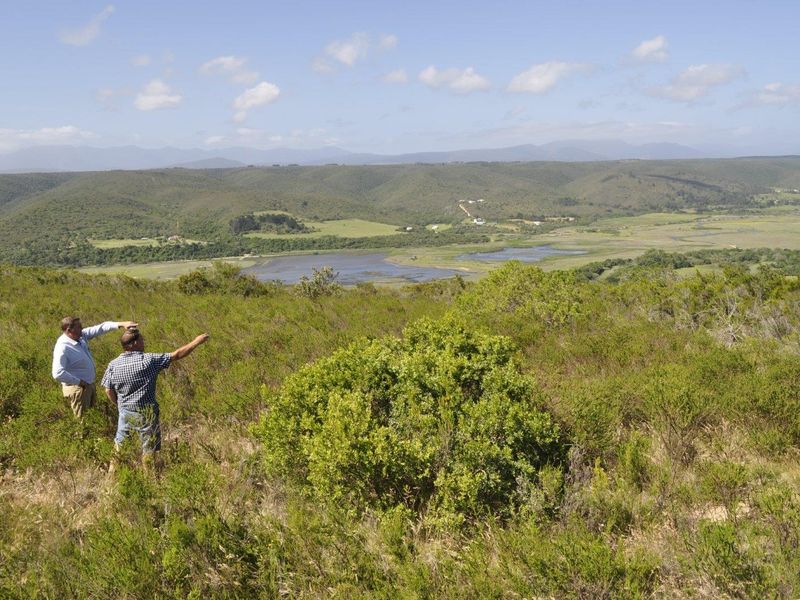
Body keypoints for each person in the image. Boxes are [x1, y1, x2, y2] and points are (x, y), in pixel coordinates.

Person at [102, 328, 209, 459]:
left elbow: (108, 389)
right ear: (134, 344)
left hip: (125, 412)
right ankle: (150, 477)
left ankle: (112, 476)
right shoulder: (149, 360)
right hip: (146, 412)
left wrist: (120, 405)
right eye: (141, 340)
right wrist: (196, 342)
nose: (144, 342)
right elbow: (176, 355)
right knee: (149, 449)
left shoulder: (113, 364)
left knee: (120, 448)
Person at [52, 316, 138, 418]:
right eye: (79, 327)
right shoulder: (63, 347)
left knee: (90, 419)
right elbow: (57, 373)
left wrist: (122, 324)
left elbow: (101, 328)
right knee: (83, 423)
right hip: (78, 389)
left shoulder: (80, 336)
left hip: (87, 386)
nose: (82, 329)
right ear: (69, 330)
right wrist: (79, 382)